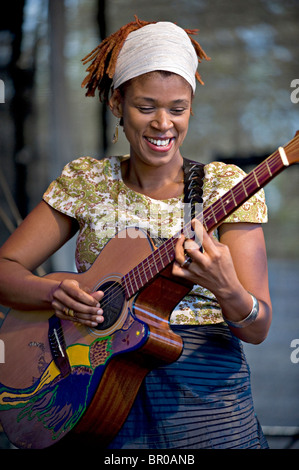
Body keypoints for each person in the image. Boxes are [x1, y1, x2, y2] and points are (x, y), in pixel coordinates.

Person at [0, 17, 271, 449]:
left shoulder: (226, 187)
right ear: (116, 103)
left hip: (206, 404)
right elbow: (5, 270)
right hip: (94, 391)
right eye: (146, 107)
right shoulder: (85, 180)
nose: (163, 124)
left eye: (177, 109)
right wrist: (54, 294)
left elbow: (258, 328)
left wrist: (227, 287)